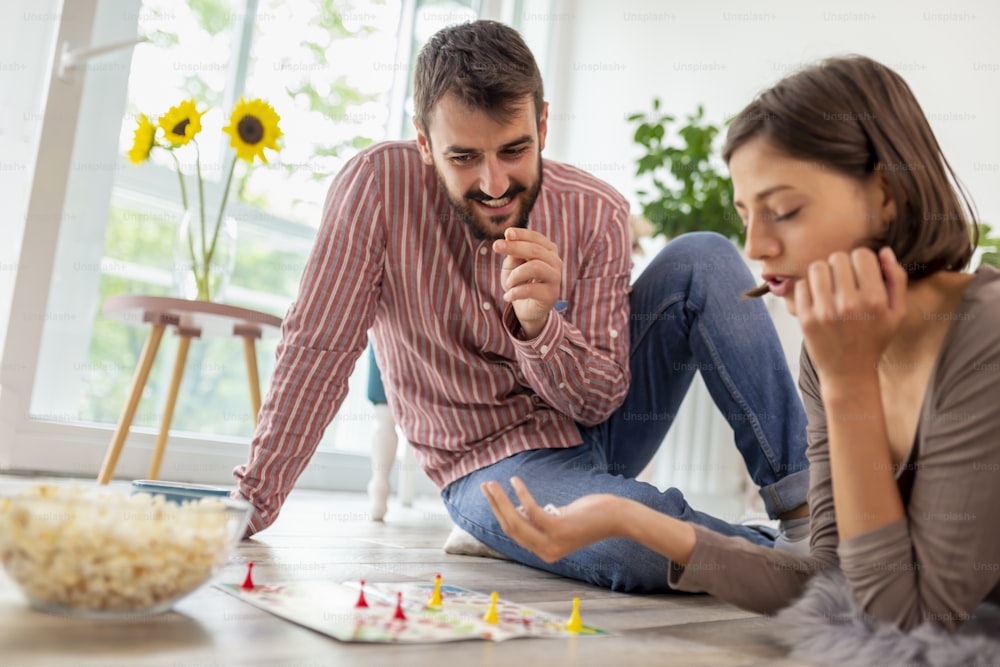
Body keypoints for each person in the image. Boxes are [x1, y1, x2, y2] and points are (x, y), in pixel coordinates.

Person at [233, 20, 811, 593]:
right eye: (463, 158)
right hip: (484, 466)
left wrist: (541, 327)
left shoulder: (596, 211)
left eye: (514, 150)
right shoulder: (377, 188)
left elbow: (604, 397)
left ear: (542, 124)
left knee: (704, 257)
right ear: (424, 142)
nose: (493, 183)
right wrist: (250, 505)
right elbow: (318, 348)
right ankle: (791, 570)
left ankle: (809, 522)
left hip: (599, 429)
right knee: (636, 544)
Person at [482, 54, 1000, 630]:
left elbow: (911, 621)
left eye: (784, 210)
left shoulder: (984, 338)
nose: (757, 248)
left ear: (884, 192)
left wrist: (849, 382)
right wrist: (626, 518)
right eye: (747, 215)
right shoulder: (834, 349)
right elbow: (829, 576)